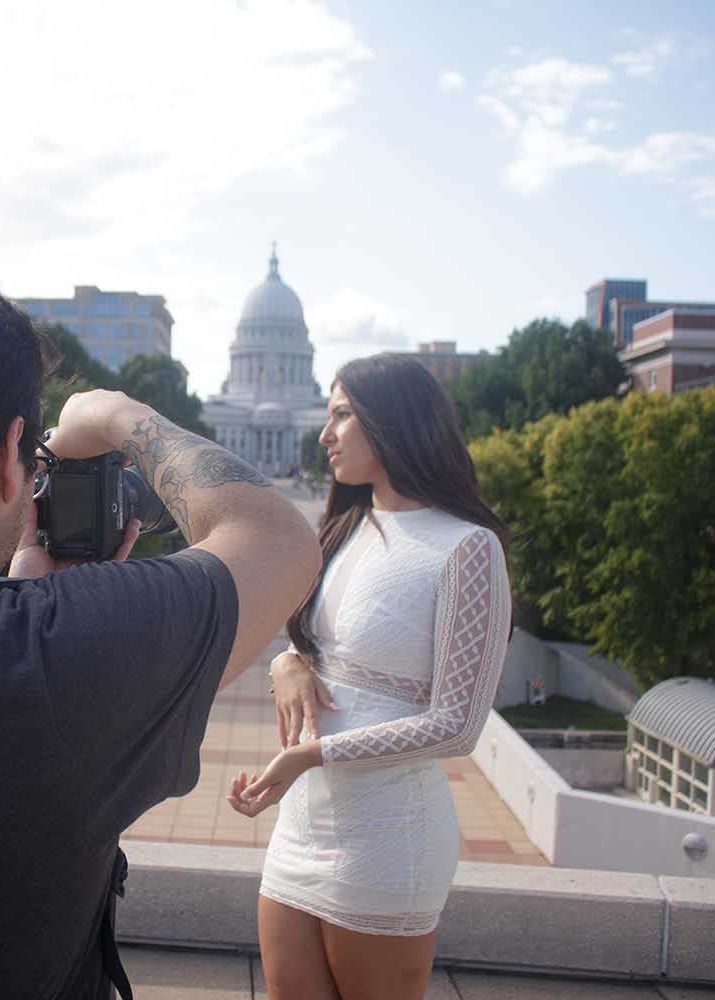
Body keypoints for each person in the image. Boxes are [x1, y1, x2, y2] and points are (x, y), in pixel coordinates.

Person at [0, 261, 321, 998]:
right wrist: (117, 417)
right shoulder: (38, 665)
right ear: (6, 467)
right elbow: (282, 542)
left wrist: (20, 600)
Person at [226, 355, 512, 1000]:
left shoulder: (467, 546)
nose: (326, 434)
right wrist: (286, 663)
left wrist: (308, 755)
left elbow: (457, 728)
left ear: (392, 422)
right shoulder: (345, 530)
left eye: (342, 414)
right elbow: (317, 649)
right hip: (303, 824)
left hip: (390, 833)